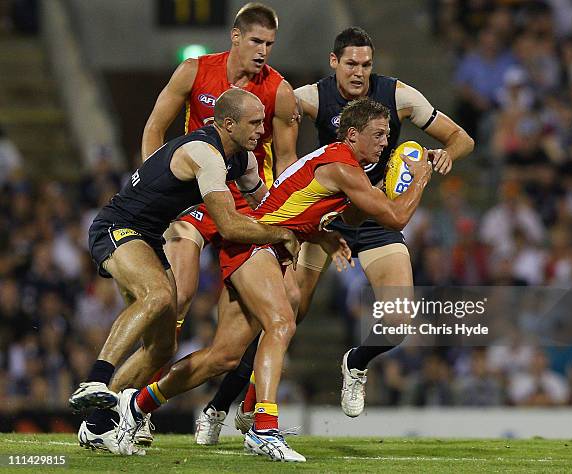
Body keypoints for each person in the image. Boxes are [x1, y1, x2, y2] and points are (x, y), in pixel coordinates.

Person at [114, 98, 433, 462]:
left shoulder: (348, 165)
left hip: (259, 246)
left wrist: (329, 232)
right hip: (257, 243)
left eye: (387, 134)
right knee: (281, 323)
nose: (384, 142)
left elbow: (351, 217)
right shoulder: (342, 166)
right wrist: (419, 178)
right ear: (352, 134)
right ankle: (263, 427)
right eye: (378, 134)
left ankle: (136, 405)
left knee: (223, 357)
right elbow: (396, 217)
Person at [198, 26, 474, 441]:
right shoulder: (309, 96)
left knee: (398, 318)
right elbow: (278, 140)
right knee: (285, 313)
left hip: (376, 216)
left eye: (366, 64)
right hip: (325, 220)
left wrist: (441, 157)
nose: (359, 73)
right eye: (351, 64)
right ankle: (223, 407)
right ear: (334, 62)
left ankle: (356, 363)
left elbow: (461, 139)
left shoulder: (398, 96)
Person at [70, 89, 300, 454]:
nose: (262, 130)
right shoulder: (203, 153)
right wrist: (283, 234)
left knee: (163, 348)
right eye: (255, 123)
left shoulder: (245, 160)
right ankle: (95, 380)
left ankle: (97, 426)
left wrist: (310, 219)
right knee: (158, 296)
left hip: (147, 237)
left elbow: (264, 206)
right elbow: (230, 226)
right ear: (228, 124)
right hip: (116, 226)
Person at [139, 2, 300, 446]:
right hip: (195, 199)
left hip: (246, 207)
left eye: (270, 43)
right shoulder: (194, 71)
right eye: (255, 41)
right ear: (235, 37)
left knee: (266, 318)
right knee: (178, 296)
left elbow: (286, 164)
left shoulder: (280, 93)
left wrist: (285, 220)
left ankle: (236, 404)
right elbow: (156, 127)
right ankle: (134, 403)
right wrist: (154, 190)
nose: (263, 51)